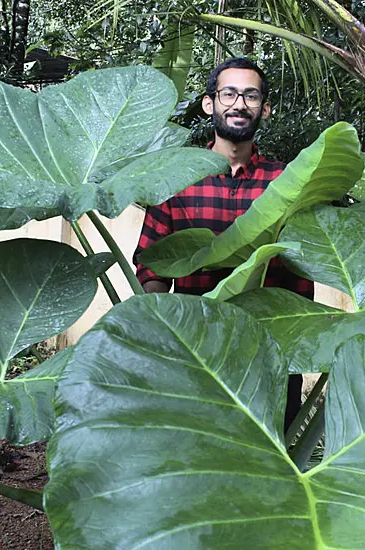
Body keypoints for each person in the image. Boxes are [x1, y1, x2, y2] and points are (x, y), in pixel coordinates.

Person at [133, 57, 313, 433]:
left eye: (250, 96)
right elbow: (153, 266)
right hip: (198, 351)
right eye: (228, 93)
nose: (238, 104)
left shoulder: (288, 181)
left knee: (272, 464)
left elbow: (307, 260)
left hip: (272, 350)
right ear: (209, 103)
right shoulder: (177, 179)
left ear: (264, 108)